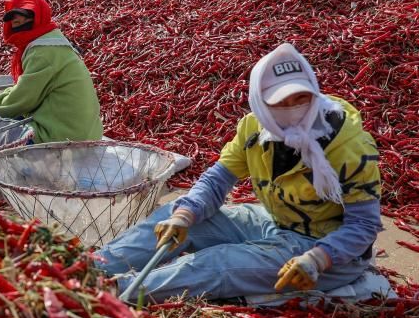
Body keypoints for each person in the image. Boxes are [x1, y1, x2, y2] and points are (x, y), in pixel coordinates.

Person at [97, 43, 381, 302]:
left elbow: (364, 225)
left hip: (326, 250)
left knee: (220, 264)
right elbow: (217, 180)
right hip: (276, 221)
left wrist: (319, 258)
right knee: (176, 216)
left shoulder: (348, 146)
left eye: (301, 98)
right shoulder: (255, 129)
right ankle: (92, 267)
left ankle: (113, 291)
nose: (293, 109)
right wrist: (184, 216)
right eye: (280, 102)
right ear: (260, 101)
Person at [0, 0, 102, 144]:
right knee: (9, 117)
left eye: (26, 18)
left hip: (65, 135)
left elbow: (25, 98)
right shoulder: (52, 41)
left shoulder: (42, 52)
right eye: (15, 21)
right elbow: (27, 86)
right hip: (83, 130)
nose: (19, 24)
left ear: (39, 17)